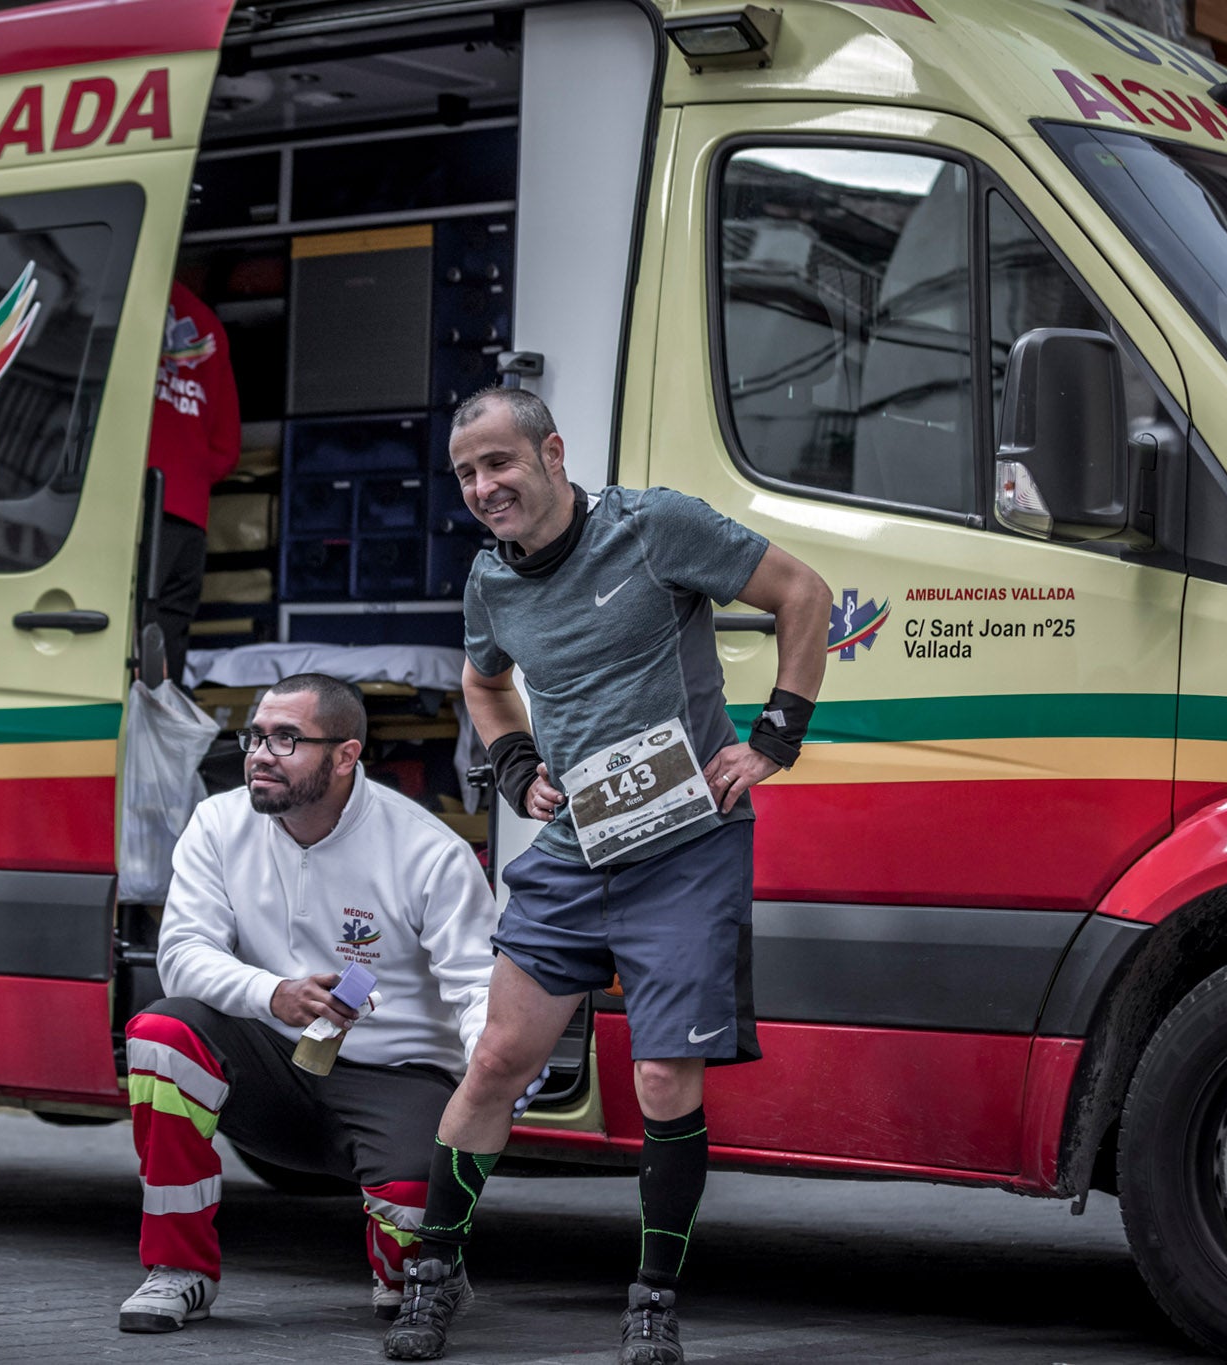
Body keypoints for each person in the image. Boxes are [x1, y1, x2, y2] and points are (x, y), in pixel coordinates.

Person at [382, 388, 831, 1365]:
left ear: (550, 450)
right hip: (577, 847)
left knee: (665, 1074)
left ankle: (652, 1297)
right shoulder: (489, 580)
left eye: (498, 463)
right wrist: (512, 765)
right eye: (465, 473)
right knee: (499, 1059)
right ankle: (434, 1264)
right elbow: (482, 679)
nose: (483, 487)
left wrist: (772, 740)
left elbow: (802, 593)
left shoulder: (653, 528)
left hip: (685, 847)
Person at [117, 673, 503, 1333]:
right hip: (274, 1068)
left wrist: (491, 1080)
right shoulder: (219, 821)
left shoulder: (426, 849)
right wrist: (272, 990)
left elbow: (475, 984)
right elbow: (180, 953)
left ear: (346, 754)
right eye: (256, 735)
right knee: (160, 1033)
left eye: (287, 738)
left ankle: (420, 1266)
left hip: (395, 1075)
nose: (261, 753)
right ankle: (177, 1271)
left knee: (404, 1261)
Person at [147, 279, 243, 683]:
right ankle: (159, 743)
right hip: (189, 517)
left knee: (125, 643)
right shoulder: (207, 323)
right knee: (165, 644)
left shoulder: (124, 294)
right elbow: (226, 448)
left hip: (137, 508)